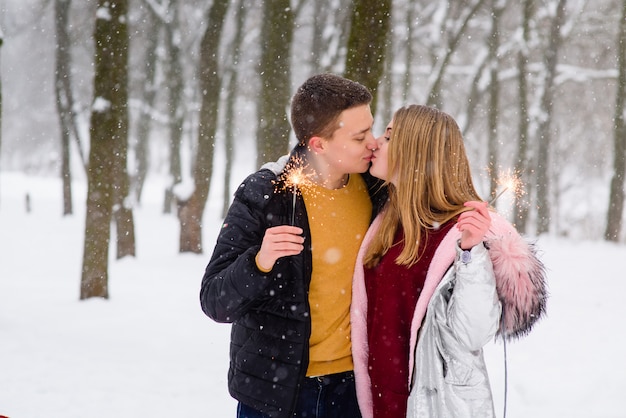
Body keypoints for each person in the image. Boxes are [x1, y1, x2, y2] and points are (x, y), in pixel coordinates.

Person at [200, 73, 387, 418]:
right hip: (276, 394)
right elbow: (214, 300)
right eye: (360, 136)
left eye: (372, 129)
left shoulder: (378, 191)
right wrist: (260, 261)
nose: (373, 143)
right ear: (318, 144)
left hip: (353, 391)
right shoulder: (266, 194)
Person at [350, 105, 547, 418]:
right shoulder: (388, 221)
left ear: (413, 152)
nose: (375, 143)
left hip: (434, 405)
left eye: (388, 137)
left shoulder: (463, 233)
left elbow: (472, 333)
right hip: (380, 400)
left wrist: (471, 254)